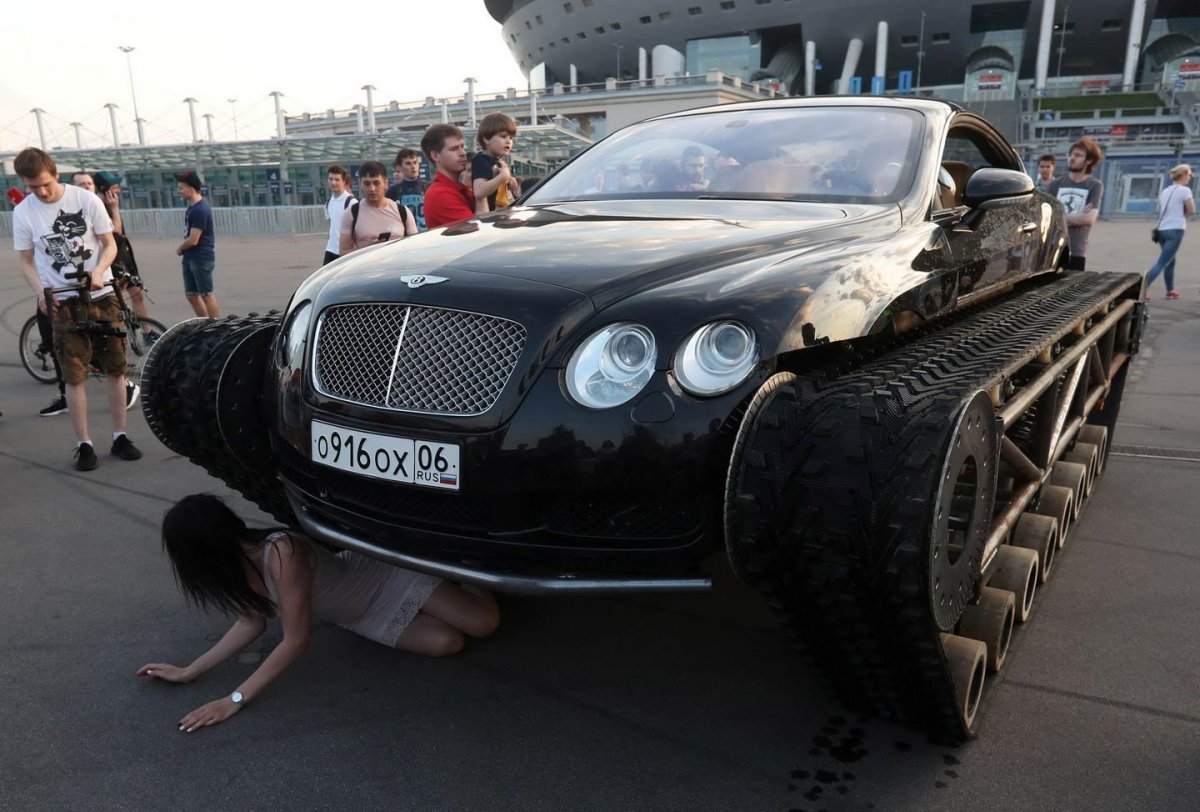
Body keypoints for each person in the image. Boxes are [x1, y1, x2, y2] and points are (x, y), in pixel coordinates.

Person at [136, 494, 499, 732]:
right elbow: (251, 622)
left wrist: (233, 700)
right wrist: (188, 671)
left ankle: (466, 569)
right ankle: (444, 591)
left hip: (381, 578)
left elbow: (295, 641)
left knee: (484, 623)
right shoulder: (233, 572)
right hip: (359, 617)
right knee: (447, 642)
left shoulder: (281, 554)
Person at [12, 147, 143, 470]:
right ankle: (84, 444)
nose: (41, 192)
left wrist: (99, 272)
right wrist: (41, 292)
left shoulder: (86, 200)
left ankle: (119, 436)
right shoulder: (24, 212)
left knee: (115, 369)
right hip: (63, 301)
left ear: (55, 174)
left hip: (102, 296)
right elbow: (26, 261)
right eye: (32, 187)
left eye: (45, 184)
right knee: (74, 376)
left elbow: (109, 244)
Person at [1046, 138, 1104, 271]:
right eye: (1071, 154)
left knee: (1073, 290)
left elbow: (1089, 219)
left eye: (1078, 155)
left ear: (1089, 160)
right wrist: (1078, 217)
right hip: (1053, 249)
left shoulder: (1094, 185)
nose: (1072, 158)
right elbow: (1048, 218)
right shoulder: (1055, 185)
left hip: (1077, 251)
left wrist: (1060, 218)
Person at [338, 161, 416, 256]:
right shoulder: (351, 213)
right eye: (367, 183)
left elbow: (414, 248)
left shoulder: (402, 212)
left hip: (397, 268)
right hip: (367, 269)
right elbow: (343, 253)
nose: (372, 189)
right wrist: (370, 249)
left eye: (376, 183)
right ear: (360, 184)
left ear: (386, 183)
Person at [1145, 164, 1195, 300]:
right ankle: (1141, 288)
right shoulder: (1185, 191)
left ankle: (1170, 290)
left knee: (1170, 260)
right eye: (1189, 175)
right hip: (1175, 229)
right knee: (1162, 261)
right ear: (1183, 175)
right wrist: (1183, 213)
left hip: (1161, 230)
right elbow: (1191, 210)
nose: (1190, 178)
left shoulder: (1165, 191)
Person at [174, 170, 220, 317]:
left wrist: (180, 248)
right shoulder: (192, 208)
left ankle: (218, 328)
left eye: (181, 188)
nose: (179, 191)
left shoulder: (200, 210)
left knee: (206, 294)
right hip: (190, 257)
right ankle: (204, 324)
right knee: (192, 295)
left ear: (191, 189)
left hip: (200, 257)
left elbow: (194, 239)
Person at [422, 124, 475, 229]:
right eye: (454, 149)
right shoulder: (440, 194)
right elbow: (478, 232)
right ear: (435, 156)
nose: (463, 153)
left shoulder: (458, 189)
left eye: (462, 147)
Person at [471, 113, 521, 214]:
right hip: (487, 219)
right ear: (486, 139)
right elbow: (479, 192)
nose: (508, 141)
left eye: (511, 138)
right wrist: (502, 177)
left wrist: (514, 189)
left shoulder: (499, 162)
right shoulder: (481, 160)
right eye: (503, 136)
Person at [386, 148, 429, 231]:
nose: (413, 166)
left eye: (415, 162)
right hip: (405, 238)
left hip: (427, 235)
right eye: (408, 163)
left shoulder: (428, 187)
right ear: (399, 167)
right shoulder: (393, 191)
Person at [322, 165, 356, 265]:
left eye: (337, 179)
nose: (333, 182)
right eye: (331, 179)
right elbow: (331, 226)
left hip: (345, 251)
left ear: (344, 182)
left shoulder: (351, 202)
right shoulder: (328, 203)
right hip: (330, 250)